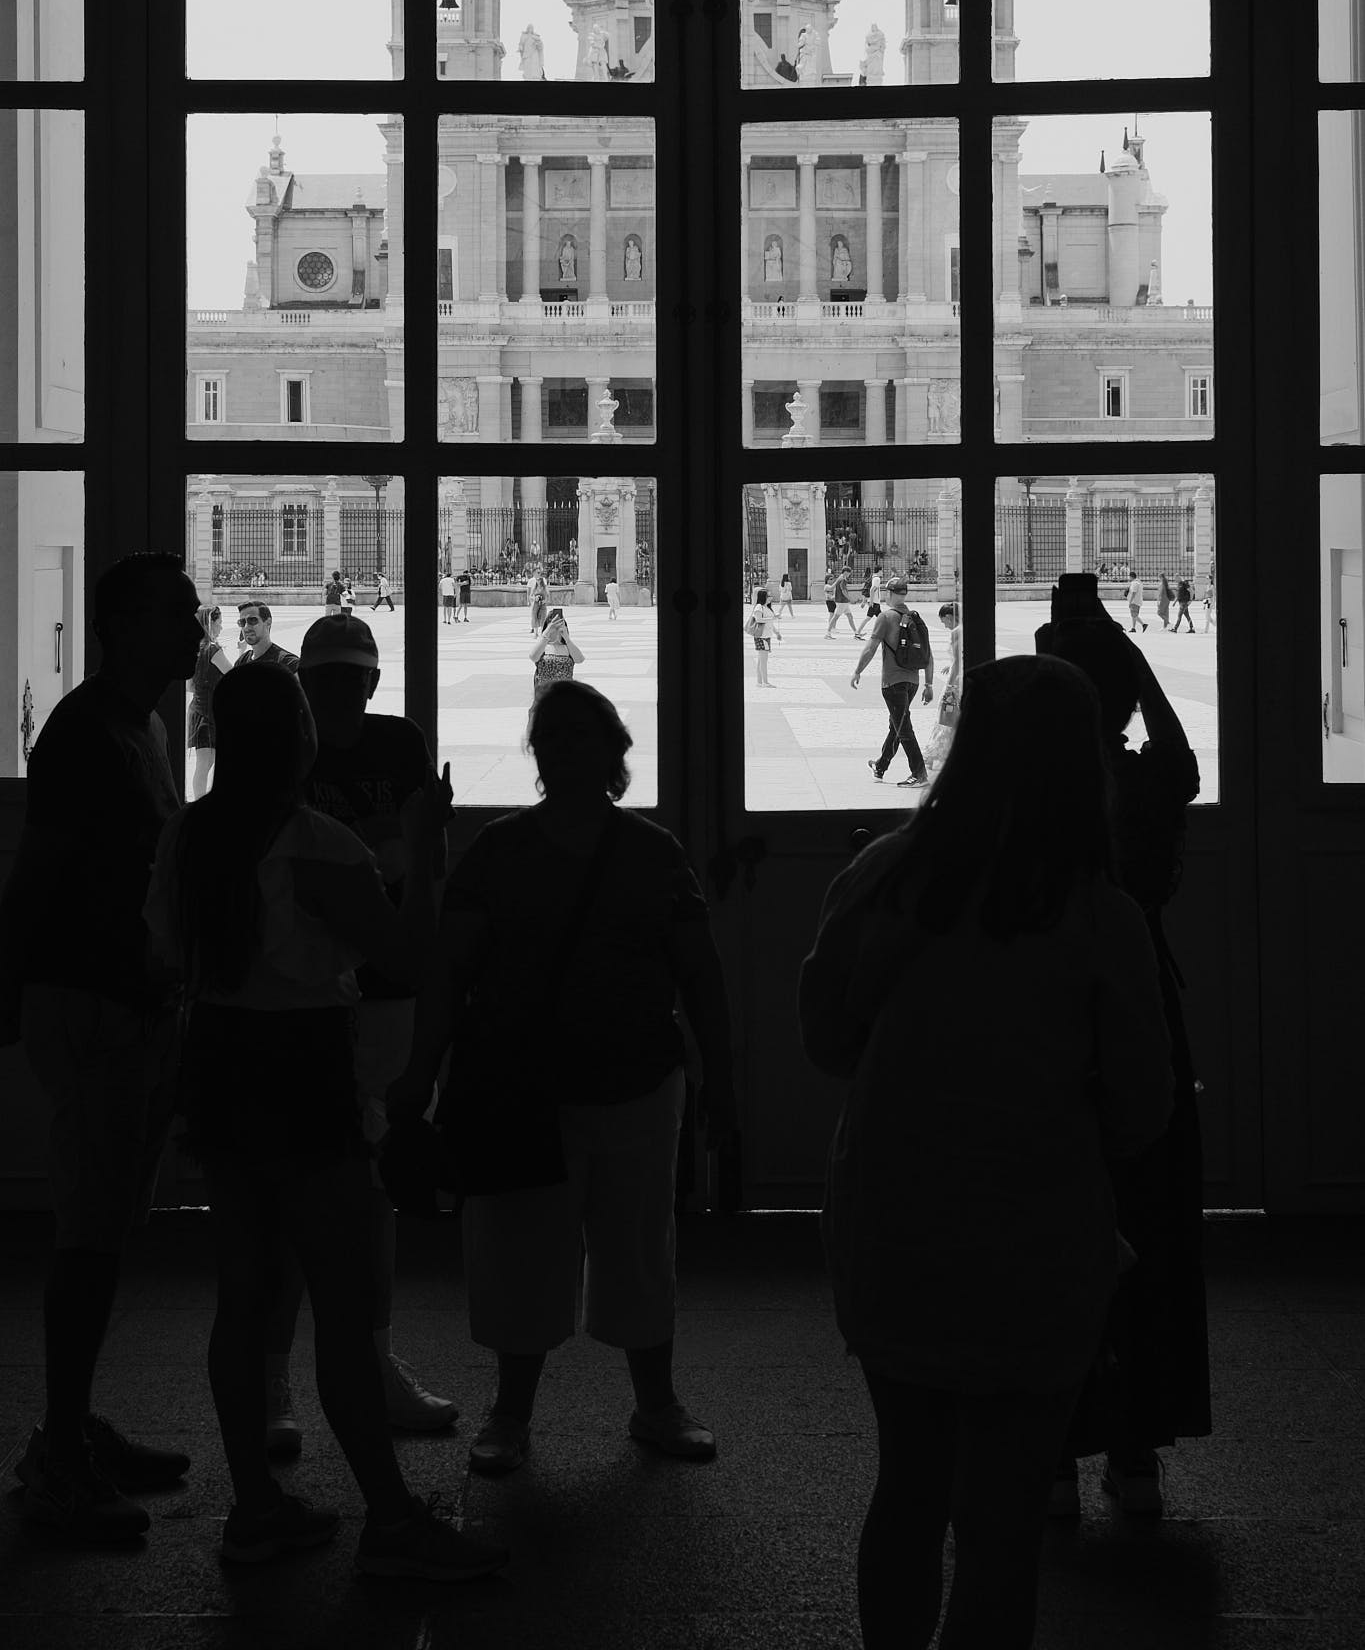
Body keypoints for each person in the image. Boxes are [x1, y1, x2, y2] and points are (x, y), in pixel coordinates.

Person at [798, 655, 1173, 1650]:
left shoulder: (882, 876)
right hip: (1035, 1237)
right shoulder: (1099, 914)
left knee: (907, 1487)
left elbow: (826, 1041)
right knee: (1001, 1527)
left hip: (893, 1222)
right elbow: (1142, 1108)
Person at [142, 661, 508, 1583]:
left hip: (219, 1067)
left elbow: (164, 951)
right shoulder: (319, 847)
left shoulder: (190, 834)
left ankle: (255, 1506)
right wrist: (425, 850)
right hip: (303, 1073)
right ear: (298, 739)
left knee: (244, 1297)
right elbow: (410, 958)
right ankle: (389, 1515)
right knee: (343, 1306)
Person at [387, 681, 737, 1477]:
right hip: (584, 1081)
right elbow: (699, 974)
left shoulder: (508, 850)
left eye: (580, 734)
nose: (566, 747)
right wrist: (717, 1076)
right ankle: (633, 1406)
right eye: (556, 734)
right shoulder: (647, 851)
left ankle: (532, 1413)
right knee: (606, 1246)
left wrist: (422, 1071)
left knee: (578, 1247)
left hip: (555, 1079)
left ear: (610, 751)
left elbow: (452, 971)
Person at [0, 552, 204, 1542]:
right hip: (90, 1005)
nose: (196, 625)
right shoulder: (89, 735)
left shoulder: (142, 726)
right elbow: (39, 872)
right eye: (177, 612)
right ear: (123, 626)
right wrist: (10, 983)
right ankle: (59, 1460)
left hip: (127, 1003)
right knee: (89, 1230)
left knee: (108, 1223)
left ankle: (72, 1424)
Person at [255, 614, 459, 1459]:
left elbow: (414, 853)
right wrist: (388, 852)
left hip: (378, 987)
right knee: (299, 1191)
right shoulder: (299, 752)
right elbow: (391, 852)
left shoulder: (388, 743)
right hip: (313, 993)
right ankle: (279, 1379)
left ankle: (360, 1365)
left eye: (350, 677)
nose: (340, 690)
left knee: (371, 1188)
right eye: (327, 677)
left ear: (371, 681)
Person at [1036, 613, 1210, 1519]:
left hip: (1048, 1013)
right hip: (1141, 1004)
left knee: (1048, 1227)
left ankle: (1052, 1451)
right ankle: (1136, 1446)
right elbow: (1179, 758)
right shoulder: (1145, 786)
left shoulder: (1034, 798)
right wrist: (1133, 662)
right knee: (1150, 1213)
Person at [853, 575, 934, 788]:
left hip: (892, 682)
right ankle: (880, 766)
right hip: (913, 682)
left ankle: (919, 774)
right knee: (897, 724)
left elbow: (870, 648)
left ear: (889, 594)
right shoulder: (915, 617)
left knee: (903, 727)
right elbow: (928, 655)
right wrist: (929, 684)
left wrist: (857, 671)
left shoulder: (886, 617)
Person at [188, 602, 235, 800]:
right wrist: (242, 652)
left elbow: (189, 686)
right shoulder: (213, 649)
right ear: (210, 623)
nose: (221, 627)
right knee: (205, 764)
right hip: (209, 714)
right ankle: (199, 803)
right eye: (219, 623)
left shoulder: (195, 649)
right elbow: (234, 677)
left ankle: (199, 802)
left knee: (204, 763)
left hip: (197, 711)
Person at [921, 601, 962, 779]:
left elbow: (958, 661)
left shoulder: (956, 632)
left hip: (955, 682)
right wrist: (950, 665)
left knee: (945, 717)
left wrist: (950, 686)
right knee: (954, 717)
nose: (944, 625)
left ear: (949, 617)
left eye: (943, 621)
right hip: (961, 678)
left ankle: (932, 755)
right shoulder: (966, 630)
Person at [530, 608, 584, 701]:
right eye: (552, 625)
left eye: (559, 624)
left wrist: (566, 638)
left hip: (565, 697)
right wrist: (547, 632)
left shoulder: (568, 647)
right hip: (544, 697)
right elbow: (533, 656)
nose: (555, 628)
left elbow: (580, 659)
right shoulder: (543, 646)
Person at [235, 602, 299, 673]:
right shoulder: (242, 661)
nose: (246, 627)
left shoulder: (289, 663)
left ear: (268, 622)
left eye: (252, 620)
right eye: (242, 622)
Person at [744, 586, 783, 689]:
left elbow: (770, 623)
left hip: (766, 635)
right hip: (761, 636)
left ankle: (760, 682)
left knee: (761, 660)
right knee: (763, 660)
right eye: (768, 596)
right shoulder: (759, 607)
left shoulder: (767, 607)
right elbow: (759, 620)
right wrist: (773, 617)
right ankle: (765, 682)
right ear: (763, 597)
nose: (771, 597)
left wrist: (777, 633)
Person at [827, 568, 861, 640]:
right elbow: (843, 591)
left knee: (850, 617)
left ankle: (856, 633)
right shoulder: (842, 579)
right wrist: (850, 599)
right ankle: (828, 633)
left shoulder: (839, 578)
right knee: (836, 617)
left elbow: (835, 588)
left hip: (843, 601)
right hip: (842, 602)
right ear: (845, 572)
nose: (849, 574)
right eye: (849, 573)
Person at [1125, 570, 1148, 634]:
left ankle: (1143, 624)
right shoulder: (1139, 582)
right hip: (1138, 601)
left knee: (1134, 615)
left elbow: (1133, 593)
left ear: (1131, 577)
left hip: (1134, 601)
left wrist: (1130, 601)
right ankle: (1133, 628)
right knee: (1134, 615)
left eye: (1129, 577)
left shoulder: (1134, 583)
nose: (1129, 578)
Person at [529, 570, 549, 638]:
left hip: (543, 604)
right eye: (537, 579)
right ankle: (536, 633)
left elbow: (548, 595)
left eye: (539, 579)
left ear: (541, 580)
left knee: (543, 618)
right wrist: (535, 598)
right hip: (536, 604)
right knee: (535, 617)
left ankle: (542, 633)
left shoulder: (544, 587)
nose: (538, 581)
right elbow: (530, 596)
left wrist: (545, 601)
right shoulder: (534, 587)